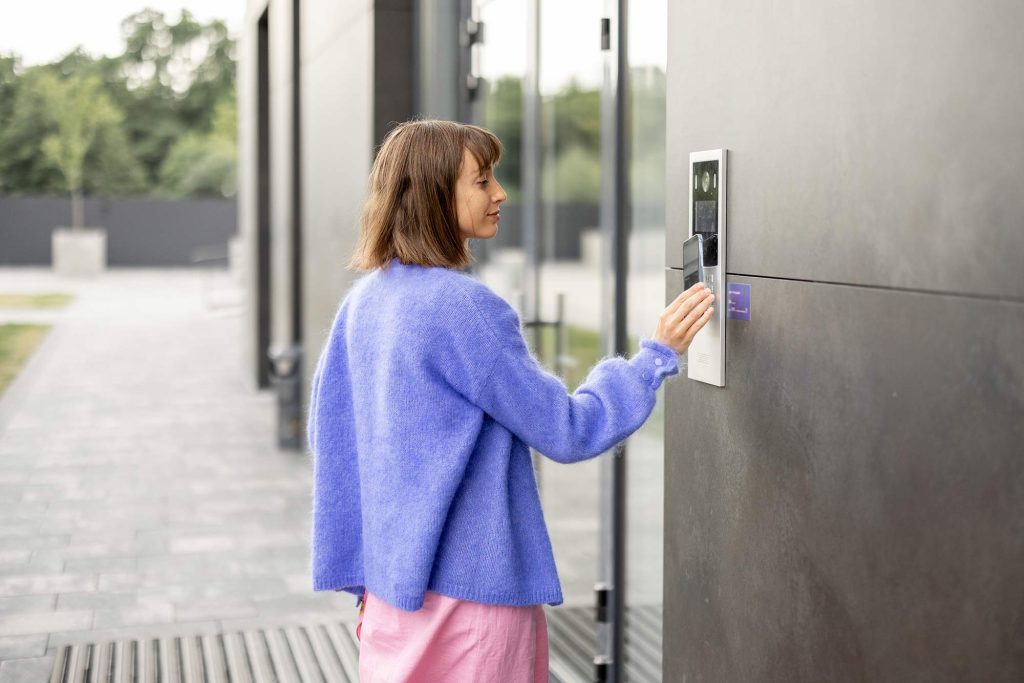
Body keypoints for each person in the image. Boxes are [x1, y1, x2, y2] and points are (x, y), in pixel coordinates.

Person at [307, 119, 714, 682]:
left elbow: (334, 448)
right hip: (473, 609)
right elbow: (569, 430)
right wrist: (655, 356)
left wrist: (368, 574)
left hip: (391, 603)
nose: (500, 193)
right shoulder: (462, 309)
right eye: (482, 180)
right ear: (433, 195)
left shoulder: (363, 304)